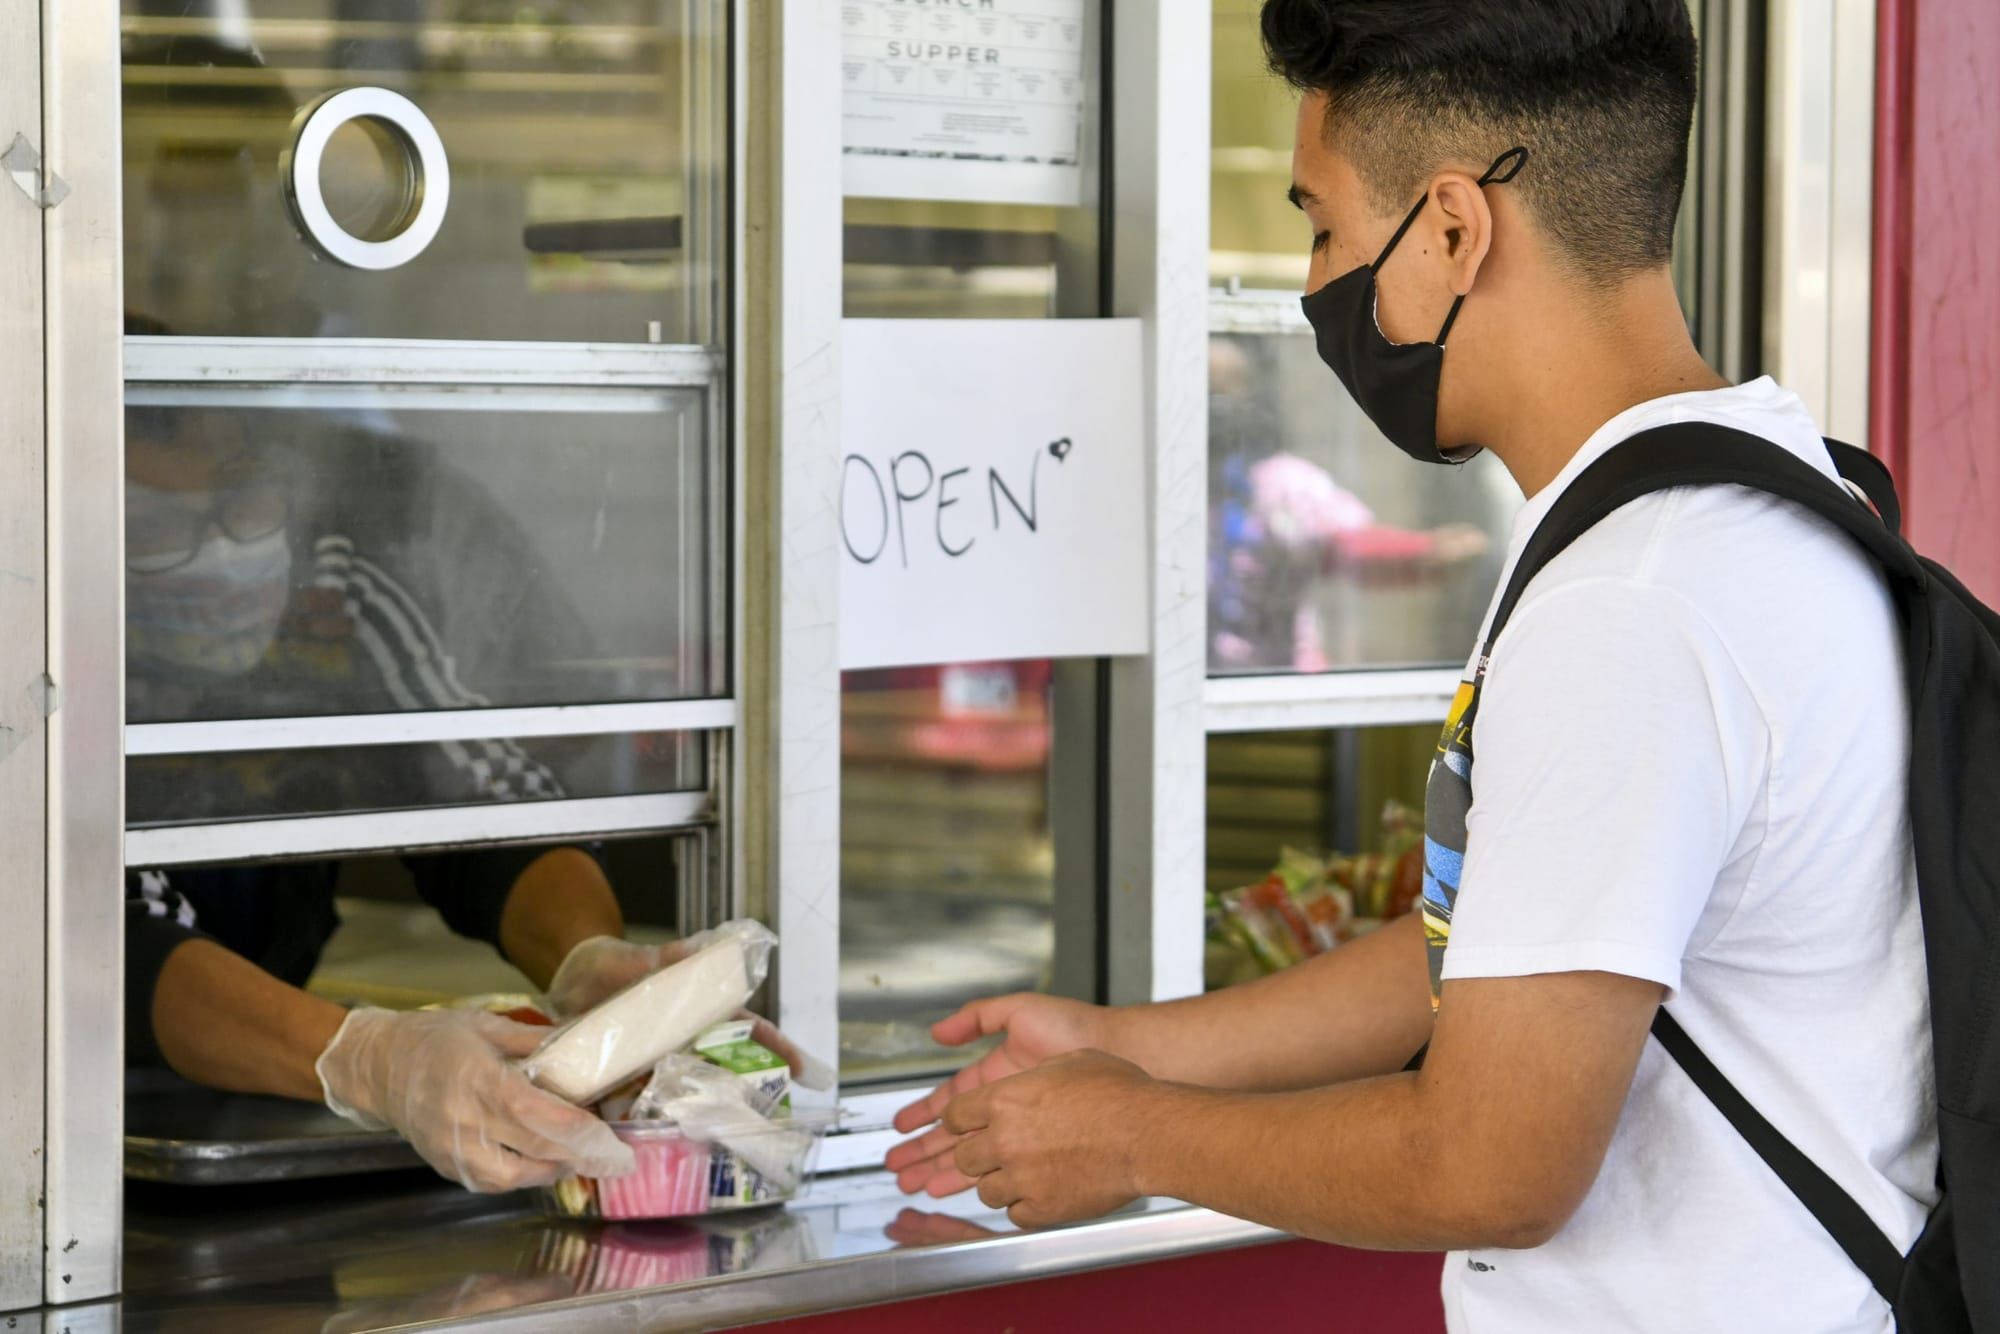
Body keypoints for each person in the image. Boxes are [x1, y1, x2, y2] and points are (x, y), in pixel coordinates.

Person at [887, 5, 1935, 1332]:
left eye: (1324, 226)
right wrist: (1137, 1047)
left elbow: (1491, 1164)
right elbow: (1510, 938)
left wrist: (1137, 1133)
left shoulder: (1638, 600)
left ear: (1453, 227)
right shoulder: (1770, 493)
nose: (1316, 284)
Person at [123, 381, 725, 1196]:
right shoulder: (43, 655)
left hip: (243, 1124)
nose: (223, 551)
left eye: (242, 503)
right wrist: (370, 1060)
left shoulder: (330, 605)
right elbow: (104, 941)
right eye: (159, 527)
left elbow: (485, 800)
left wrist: (587, 956)